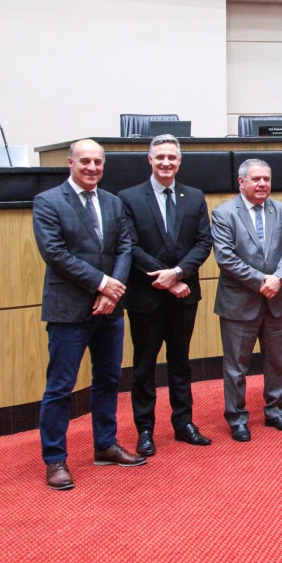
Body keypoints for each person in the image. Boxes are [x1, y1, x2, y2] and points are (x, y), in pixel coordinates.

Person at [32, 139, 143, 490]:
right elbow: (54, 253)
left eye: (98, 162)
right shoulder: (48, 201)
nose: (92, 167)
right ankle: (55, 459)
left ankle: (105, 445)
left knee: (109, 380)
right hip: (68, 309)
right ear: (70, 163)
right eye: (85, 162)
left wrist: (113, 290)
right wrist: (101, 283)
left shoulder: (113, 202)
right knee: (60, 388)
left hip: (109, 309)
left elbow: (126, 246)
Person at [118, 134, 214, 456]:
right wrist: (168, 278)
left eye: (172, 157)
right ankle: (144, 429)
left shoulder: (194, 196)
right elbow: (129, 246)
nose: (166, 162)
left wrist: (179, 273)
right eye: (160, 157)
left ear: (180, 161)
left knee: (180, 361)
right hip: (146, 296)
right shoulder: (129, 198)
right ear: (150, 160)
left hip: (184, 294)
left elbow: (203, 242)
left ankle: (183, 423)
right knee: (144, 365)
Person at [212, 159, 282, 442]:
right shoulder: (224, 213)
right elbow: (225, 257)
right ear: (241, 182)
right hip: (240, 302)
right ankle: (237, 418)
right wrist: (262, 281)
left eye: (266, 179)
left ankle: (274, 411)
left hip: (276, 299)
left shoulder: (281, 209)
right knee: (236, 365)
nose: (262, 184)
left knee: (277, 361)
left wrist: (280, 278)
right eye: (256, 179)